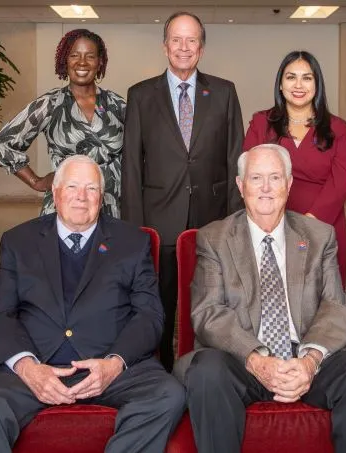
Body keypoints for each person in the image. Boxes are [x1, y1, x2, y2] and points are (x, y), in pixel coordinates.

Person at [0, 155, 186, 453]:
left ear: (101, 198)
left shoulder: (132, 242)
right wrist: (28, 368)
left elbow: (150, 316)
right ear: (55, 194)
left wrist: (114, 364)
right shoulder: (19, 241)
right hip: (37, 365)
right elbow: (0, 317)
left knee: (168, 395)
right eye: (72, 187)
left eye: (91, 189)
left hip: (107, 366)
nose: (81, 196)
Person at [175, 144, 346, 453]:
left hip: (305, 358)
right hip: (243, 362)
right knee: (207, 371)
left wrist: (309, 362)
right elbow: (208, 312)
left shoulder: (319, 235)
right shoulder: (215, 238)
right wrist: (257, 360)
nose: (265, 188)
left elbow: (336, 306)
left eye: (275, 178)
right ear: (241, 186)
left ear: (289, 184)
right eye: (256, 178)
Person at [122, 11, 244, 369]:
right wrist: (135, 229)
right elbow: (131, 165)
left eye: (192, 40)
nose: (184, 47)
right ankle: (158, 370)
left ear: (201, 48)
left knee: (210, 303)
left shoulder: (223, 92)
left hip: (211, 220)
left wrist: (235, 222)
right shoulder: (141, 95)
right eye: (176, 39)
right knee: (158, 304)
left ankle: (203, 370)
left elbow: (235, 158)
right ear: (165, 46)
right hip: (159, 220)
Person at [243, 50, 346, 286]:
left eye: (307, 78)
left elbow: (341, 182)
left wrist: (311, 221)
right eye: (291, 77)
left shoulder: (336, 128)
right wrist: (271, 221)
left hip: (324, 222)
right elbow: (248, 174)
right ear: (280, 84)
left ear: (317, 85)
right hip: (270, 221)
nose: (299, 85)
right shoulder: (261, 124)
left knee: (323, 293)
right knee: (272, 293)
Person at [0, 29, 125, 218]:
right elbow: (4, 143)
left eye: (90, 56)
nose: (82, 62)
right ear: (65, 60)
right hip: (65, 206)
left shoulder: (116, 104)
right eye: (74, 55)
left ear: (100, 62)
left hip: (111, 207)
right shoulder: (51, 103)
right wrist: (36, 182)